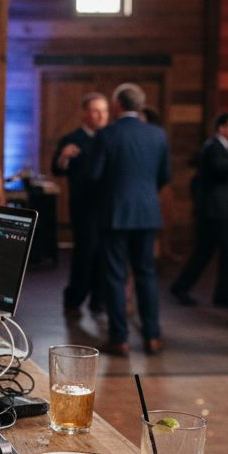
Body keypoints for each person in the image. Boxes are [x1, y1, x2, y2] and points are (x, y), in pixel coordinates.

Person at [88, 83, 172, 356]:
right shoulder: (157, 134)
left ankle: (119, 338)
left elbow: (94, 175)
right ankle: (152, 336)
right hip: (147, 213)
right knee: (146, 274)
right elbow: (165, 176)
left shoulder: (107, 134)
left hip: (115, 214)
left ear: (117, 105)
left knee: (115, 275)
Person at [170, 112, 228, 307]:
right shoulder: (213, 146)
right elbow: (219, 167)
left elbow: (222, 172)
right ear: (222, 129)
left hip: (220, 210)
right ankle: (222, 296)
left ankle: (182, 287)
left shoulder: (225, 148)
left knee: (204, 252)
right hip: (218, 211)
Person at [51, 92, 110, 317]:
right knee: (85, 253)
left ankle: (99, 300)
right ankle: (74, 300)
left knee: (104, 254)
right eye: (96, 111)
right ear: (85, 113)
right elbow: (56, 169)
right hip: (83, 206)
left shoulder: (111, 137)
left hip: (107, 206)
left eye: (104, 111)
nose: (101, 116)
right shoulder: (72, 138)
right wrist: (64, 157)